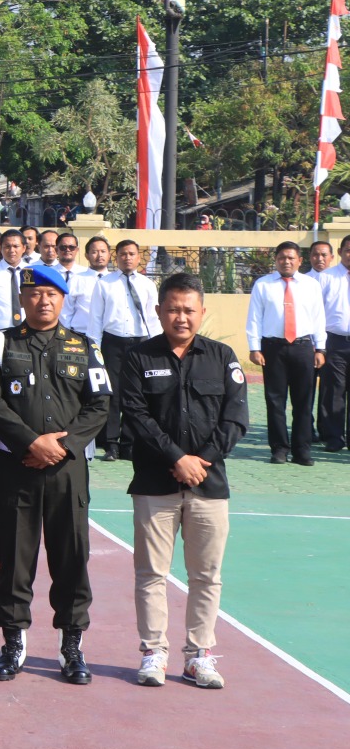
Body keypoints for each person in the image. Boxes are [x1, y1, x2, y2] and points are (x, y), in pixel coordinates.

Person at [0, 264, 110, 684]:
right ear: (22, 299)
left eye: (52, 294)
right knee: (14, 558)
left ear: (64, 299)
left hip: (67, 472)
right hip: (17, 469)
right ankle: (13, 643)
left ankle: (72, 648)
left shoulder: (84, 347)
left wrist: (61, 447)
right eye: (34, 294)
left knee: (72, 558)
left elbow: (99, 405)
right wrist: (30, 443)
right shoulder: (0, 344)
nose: (44, 300)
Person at [118, 273, 247, 689]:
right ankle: (153, 652)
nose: (181, 317)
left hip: (209, 485)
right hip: (155, 483)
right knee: (151, 573)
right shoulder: (138, 358)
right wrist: (177, 458)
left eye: (189, 310)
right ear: (159, 311)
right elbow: (136, 417)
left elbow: (235, 419)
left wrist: (201, 461)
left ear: (202, 312)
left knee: (207, 575)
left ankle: (199, 656)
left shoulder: (223, 356)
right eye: (173, 309)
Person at [245, 241, 326, 465]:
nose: (286, 261)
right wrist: (254, 347)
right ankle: (279, 449)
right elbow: (254, 318)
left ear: (300, 260)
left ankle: (302, 450)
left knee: (304, 401)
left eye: (291, 258)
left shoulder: (311, 285)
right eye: (282, 257)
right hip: (273, 348)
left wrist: (320, 348)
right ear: (276, 260)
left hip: (302, 348)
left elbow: (319, 318)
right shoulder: (263, 285)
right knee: (275, 401)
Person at [86, 239, 162, 461]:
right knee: (112, 394)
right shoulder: (104, 284)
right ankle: (111, 444)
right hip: (113, 343)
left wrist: (157, 348)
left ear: (139, 257)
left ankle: (129, 443)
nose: (127, 258)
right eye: (123, 254)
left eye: (131, 254)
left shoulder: (148, 284)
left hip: (140, 344)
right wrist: (95, 350)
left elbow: (153, 319)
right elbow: (96, 319)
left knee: (135, 395)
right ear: (115, 257)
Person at [314, 235, 350, 452]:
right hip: (334, 341)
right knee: (334, 390)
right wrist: (318, 345)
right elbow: (316, 312)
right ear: (340, 251)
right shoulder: (326, 277)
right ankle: (334, 437)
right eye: (347, 250)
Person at [62, 236, 111, 333]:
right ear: (87, 256)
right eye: (94, 252)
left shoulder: (115, 280)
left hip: (110, 337)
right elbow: (65, 311)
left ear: (109, 255)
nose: (99, 255)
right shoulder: (76, 279)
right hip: (82, 335)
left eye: (103, 251)